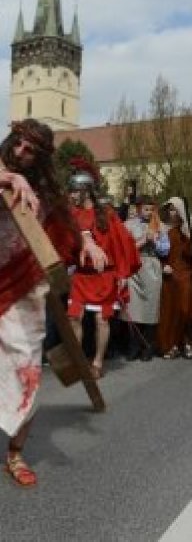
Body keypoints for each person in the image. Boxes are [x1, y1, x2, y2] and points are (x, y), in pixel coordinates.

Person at [0, 119, 106, 486]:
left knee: (28, 368)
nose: (19, 153)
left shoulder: (46, 191)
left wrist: (87, 243)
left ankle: (15, 453)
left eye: (29, 151)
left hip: (25, 293)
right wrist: (9, 178)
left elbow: (68, 223)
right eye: (17, 144)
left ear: (41, 157)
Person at [66, 158, 140, 380]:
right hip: (81, 276)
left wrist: (123, 273)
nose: (71, 195)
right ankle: (78, 361)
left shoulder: (106, 214)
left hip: (104, 276)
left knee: (102, 319)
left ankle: (97, 361)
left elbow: (123, 243)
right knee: (74, 317)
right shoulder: (71, 214)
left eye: (75, 191)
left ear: (86, 191)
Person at [122, 195, 169, 361]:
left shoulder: (160, 226)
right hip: (135, 267)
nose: (148, 212)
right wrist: (144, 240)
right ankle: (133, 345)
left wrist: (155, 242)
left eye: (151, 209)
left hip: (152, 266)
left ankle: (148, 346)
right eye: (145, 209)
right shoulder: (128, 225)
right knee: (134, 310)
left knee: (150, 309)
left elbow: (165, 251)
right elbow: (125, 249)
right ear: (139, 208)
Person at [156, 197, 192, 359]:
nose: (171, 212)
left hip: (185, 275)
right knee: (170, 311)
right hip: (170, 275)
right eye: (169, 209)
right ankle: (171, 344)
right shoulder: (165, 230)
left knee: (185, 309)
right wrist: (163, 266)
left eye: (174, 209)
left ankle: (187, 342)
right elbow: (160, 254)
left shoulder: (188, 230)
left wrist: (188, 236)